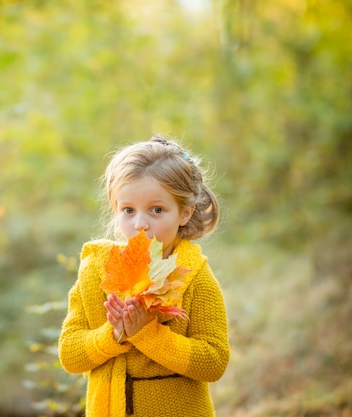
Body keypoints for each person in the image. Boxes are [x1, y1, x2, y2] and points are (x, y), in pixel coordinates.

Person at [58, 135, 229, 417]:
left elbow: (213, 362)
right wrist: (114, 334)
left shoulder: (194, 275)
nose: (140, 224)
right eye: (128, 210)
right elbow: (70, 355)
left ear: (185, 213)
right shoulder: (96, 268)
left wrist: (147, 333)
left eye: (157, 210)